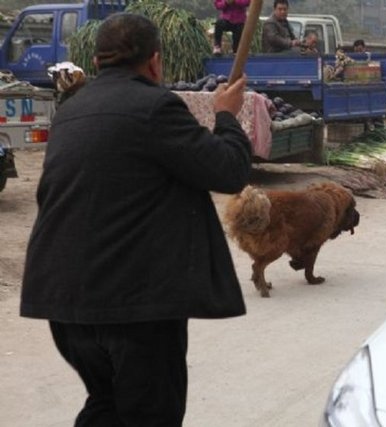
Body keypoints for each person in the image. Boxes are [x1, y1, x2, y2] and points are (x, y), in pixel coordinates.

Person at [20, 12, 252, 426]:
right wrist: (227, 116)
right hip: (132, 310)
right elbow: (228, 172)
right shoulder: (156, 107)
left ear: (95, 63)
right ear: (155, 63)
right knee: (150, 415)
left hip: (65, 303)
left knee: (106, 405)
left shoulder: (71, 112)